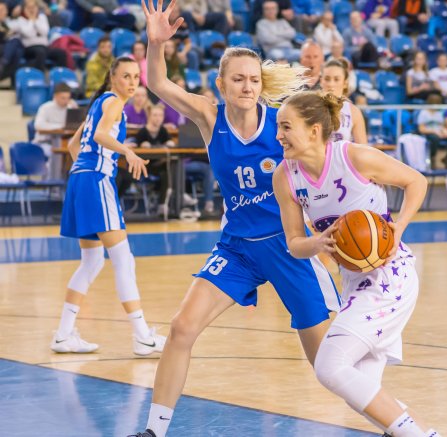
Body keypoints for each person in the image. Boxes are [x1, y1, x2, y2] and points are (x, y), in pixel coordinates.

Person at [131, 2, 340, 436]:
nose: (247, 86)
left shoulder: (282, 123)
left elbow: (324, 162)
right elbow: (156, 81)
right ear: (222, 83)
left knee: (329, 366)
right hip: (238, 248)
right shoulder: (210, 116)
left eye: (254, 80)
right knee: (181, 327)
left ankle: (394, 422)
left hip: (288, 246)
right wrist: (155, 44)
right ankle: (154, 430)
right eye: (239, 79)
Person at [272, 91, 440, 437]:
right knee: (362, 392)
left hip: (390, 277)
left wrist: (398, 227)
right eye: (278, 127)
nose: (279, 136)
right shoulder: (285, 176)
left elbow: (416, 181)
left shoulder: (354, 157)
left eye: (286, 127)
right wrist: (316, 242)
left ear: (314, 130)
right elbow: (293, 244)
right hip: (354, 283)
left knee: (330, 366)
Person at [52, 56, 166, 356]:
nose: (131, 82)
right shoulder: (113, 102)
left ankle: (63, 335)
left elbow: (73, 145)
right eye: (125, 76)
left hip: (80, 180)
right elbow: (101, 135)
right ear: (112, 77)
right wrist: (127, 152)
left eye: (135, 77)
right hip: (95, 180)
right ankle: (142, 335)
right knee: (123, 259)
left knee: (92, 262)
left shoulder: (98, 104)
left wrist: (86, 171)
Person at [132, 103, 175, 215]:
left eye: (160, 115)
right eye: (155, 115)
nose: (158, 118)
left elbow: (169, 142)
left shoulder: (163, 131)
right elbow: (137, 149)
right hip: (146, 167)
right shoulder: (142, 132)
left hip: (160, 167)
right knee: (165, 171)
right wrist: (142, 145)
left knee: (169, 171)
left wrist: (170, 143)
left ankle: (165, 203)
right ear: (149, 116)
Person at [6, 0, 66, 72]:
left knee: (61, 53)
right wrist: (31, 20)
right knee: (40, 53)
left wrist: (35, 20)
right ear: (24, 9)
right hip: (30, 48)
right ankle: (38, 76)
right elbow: (29, 33)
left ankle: (56, 76)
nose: (31, 10)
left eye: (33, 7)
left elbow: (45, 32)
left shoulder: (42, 17)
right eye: (29, 7)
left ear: (37, 8)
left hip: (44, 47)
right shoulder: (20, 20)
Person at [34, 83, 79, 178]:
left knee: (79, 152)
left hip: (66, 142)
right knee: (55, 153)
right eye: (63, 98)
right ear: (55, 96)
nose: (66, 100)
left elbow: (76, 126)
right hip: (45, 143)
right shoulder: (45, 107)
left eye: (68, 98)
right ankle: (52, 185)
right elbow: (38, 125)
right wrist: (60, 126)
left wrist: (74, 111)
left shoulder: (71, 106)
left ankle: (69, 184)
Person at [320, 58, 367, 144]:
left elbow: (363, 149)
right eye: (327, 79)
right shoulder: (311, 108)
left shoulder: (353, 112)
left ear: (345, 83)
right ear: (321, 81)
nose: (331, 84)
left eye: (336, 79)